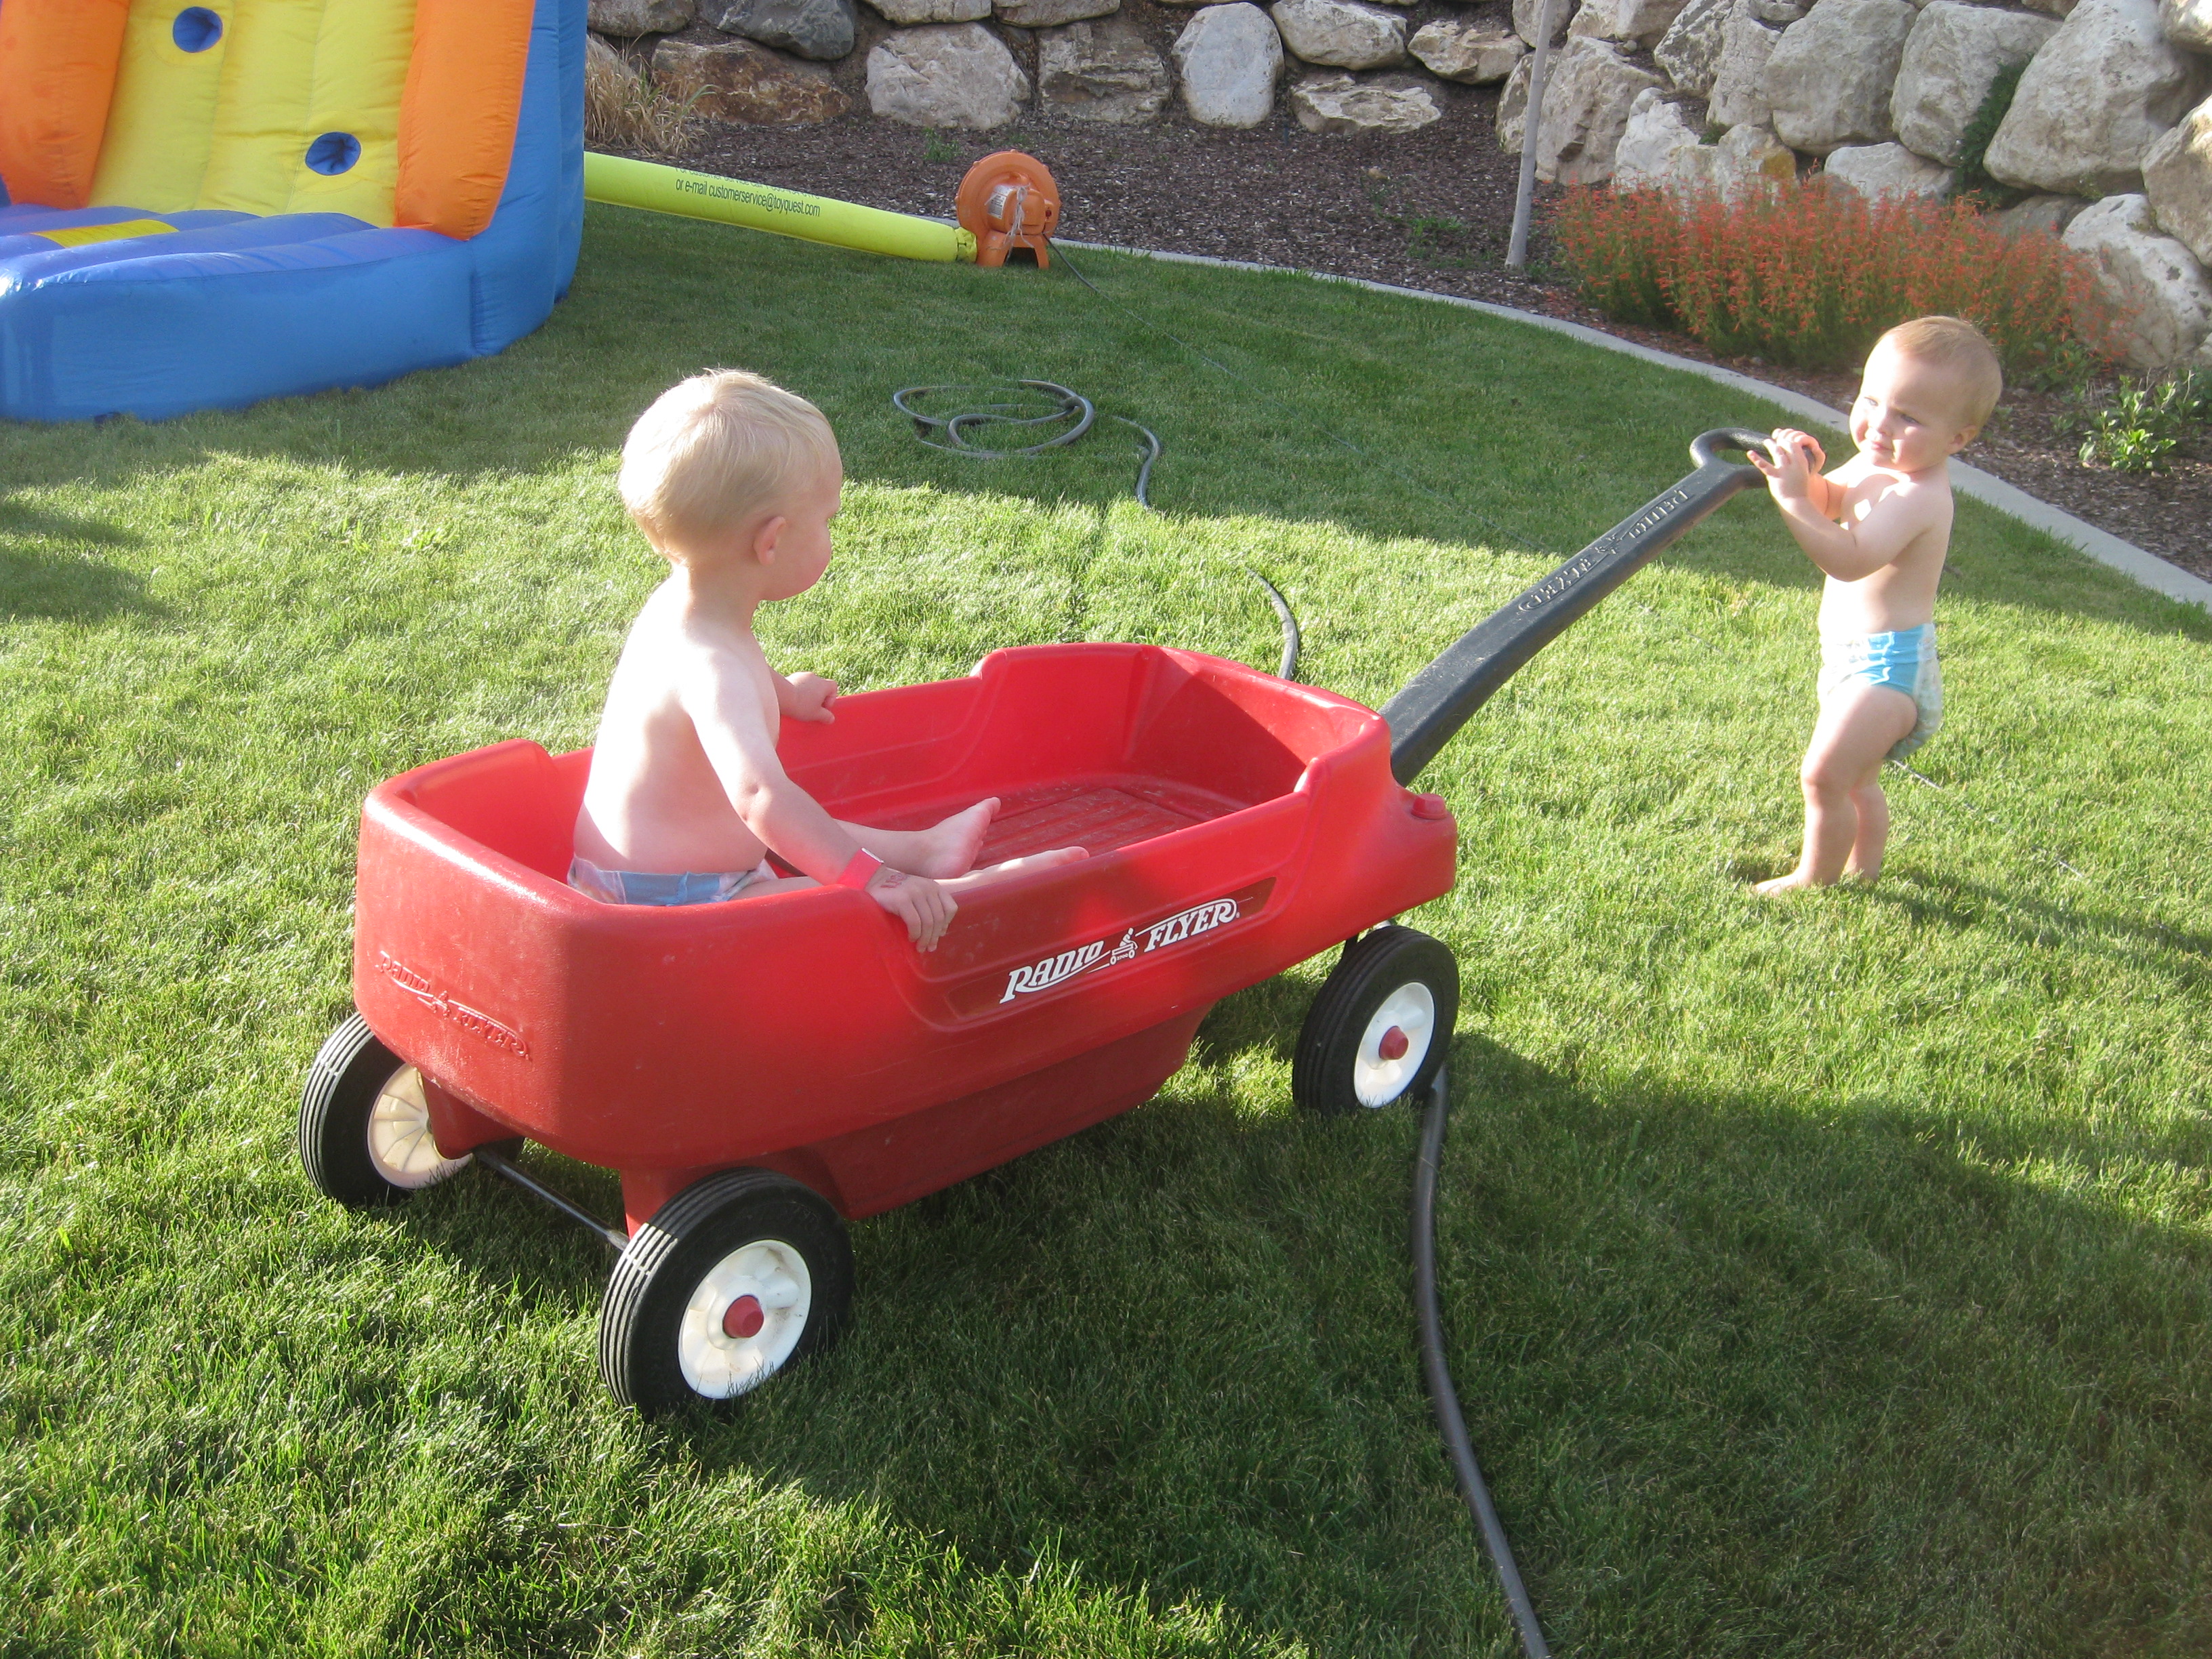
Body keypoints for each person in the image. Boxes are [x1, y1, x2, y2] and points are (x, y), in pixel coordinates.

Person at [570, 368, 1084, 948]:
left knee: (812, 829)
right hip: (670, 904)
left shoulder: (685, 607)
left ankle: (922, 849)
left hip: (635, 874)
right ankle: (965, 888)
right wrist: (873, 881)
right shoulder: (713, 666)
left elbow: (711, 686)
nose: (832, 532)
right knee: (842, 902)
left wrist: (786, 693)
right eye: (828, 520)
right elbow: (760, 798)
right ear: (772, 542)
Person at [1748, 316, 2001, 895]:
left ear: (1957, 438)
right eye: (1872, 400)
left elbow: (1852, 557)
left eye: (1908, 417)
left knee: (1823, 774)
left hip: (1889, 671)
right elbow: (1831, 499)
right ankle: (1865, 871)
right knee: (1858, 781)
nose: (1880, 425)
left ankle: (1813, 880)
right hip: (1850, 659)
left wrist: (1792, 502)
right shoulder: (1875, 463)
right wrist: (1803, 476)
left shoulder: (1918, 494)